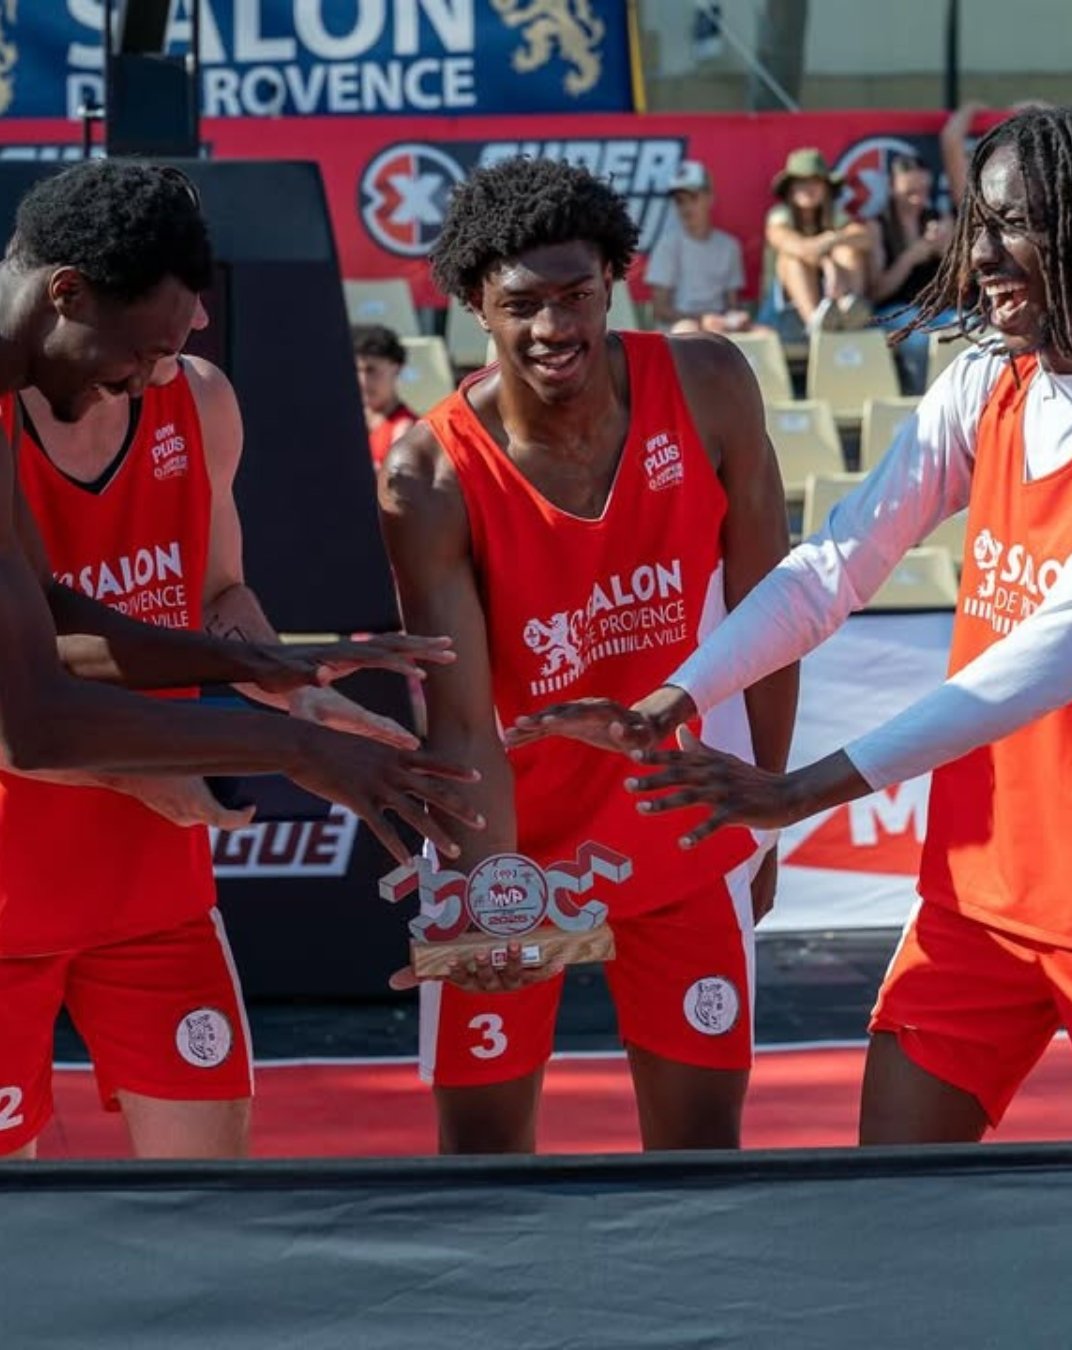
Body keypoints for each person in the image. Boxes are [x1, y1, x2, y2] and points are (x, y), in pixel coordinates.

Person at [511, 106, 1072, 1147]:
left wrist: (796, 793)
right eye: (976, 223)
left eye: (1016, 224)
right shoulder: (987, 385)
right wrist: (682, 693)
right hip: (978, 899)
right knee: (887, 1206)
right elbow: (832, 566)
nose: (982, 253)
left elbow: (1029, 670)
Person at [379, 155, 796, 1154]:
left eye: (577, 295)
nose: (555, 328)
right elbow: (463, 716)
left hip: (679, 825)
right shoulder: (428, 471)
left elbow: (772, 619)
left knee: (702, 1160)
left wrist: (767, 807)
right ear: (478, 302)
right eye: (524, 303)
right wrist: (488, 892)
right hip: (508, 831)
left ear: (615, 277)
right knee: (483, 1164)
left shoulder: (708, 384)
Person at [0, 302, 420, 1159]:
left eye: (197, 300)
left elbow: (220, 593)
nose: (193, 320)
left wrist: (286, 686)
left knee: (207, 1206)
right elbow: (19, 709)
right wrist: (142, 770)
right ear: (80, 297)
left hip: (155, 891)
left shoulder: (198, 398)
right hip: (12, 889)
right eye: (170, 301)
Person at [0, 158, 483, 862]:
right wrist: (296, 748)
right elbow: (29, 722)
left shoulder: (32, 390)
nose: (141, 385)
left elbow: (55, 619)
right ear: (67, 291)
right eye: (141, 354)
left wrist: (267, 665)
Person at [758, 147, 874, 341]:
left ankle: (850, 311)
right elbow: (793, 245)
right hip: (783, 315)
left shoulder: (834, 215)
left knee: (847, 250)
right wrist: (828, 264)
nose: (808, 188)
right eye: (801, 182)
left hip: (832, 301)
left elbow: (865, 238)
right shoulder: (779, 215)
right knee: (792, 260)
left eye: (815, 181)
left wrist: (835, 239)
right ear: (790, 189)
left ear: (826, 187)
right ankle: (817, 323)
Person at [868, 153, 955, 392]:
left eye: (923, 190)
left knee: (969, 330)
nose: (918, 199)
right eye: (910, 191)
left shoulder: (938, 219)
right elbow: (875, 292)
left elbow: (964, 285)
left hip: (936, 310)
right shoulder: (878, 226)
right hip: (892, 310)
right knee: (918, 340)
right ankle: (922, 400)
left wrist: (947, 251)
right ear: (892, 186)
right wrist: (911, 257)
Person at [644, 160, 751, 335]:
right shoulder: (667, 245)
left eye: (693, 198)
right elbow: (660, 310)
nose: (686, 207)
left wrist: (736, 320)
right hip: (678, 328)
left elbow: (733, 305)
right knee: (688, 330)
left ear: (710, 198)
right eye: (680, 201)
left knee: (766, 335)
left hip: (720, 329)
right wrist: (701, 321)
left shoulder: (729, 246)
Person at [353, 324, 417, 469]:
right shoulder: (346, 421)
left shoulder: (404, 429)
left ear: (396, 368)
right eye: (356, 370)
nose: (363, 381)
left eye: (371, 370)